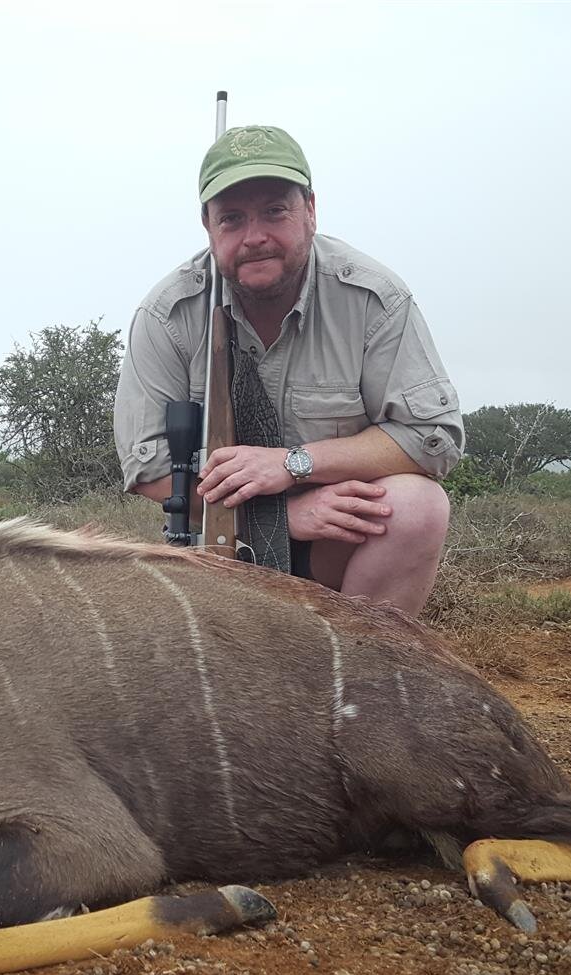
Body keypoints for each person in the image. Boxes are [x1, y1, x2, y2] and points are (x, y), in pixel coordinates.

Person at [114, 125, 462, 615]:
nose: (254, 237)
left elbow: (434, 438)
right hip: (220, 546)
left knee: (416, 509)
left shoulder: (374, 299)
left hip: (338, 542)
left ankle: (363, 673)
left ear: (311, 210)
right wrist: (283, 516)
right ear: (208, 227)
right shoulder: (167, 316)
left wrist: (292, 463)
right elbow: (148, 469)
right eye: (231, 219)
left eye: (275, 211)